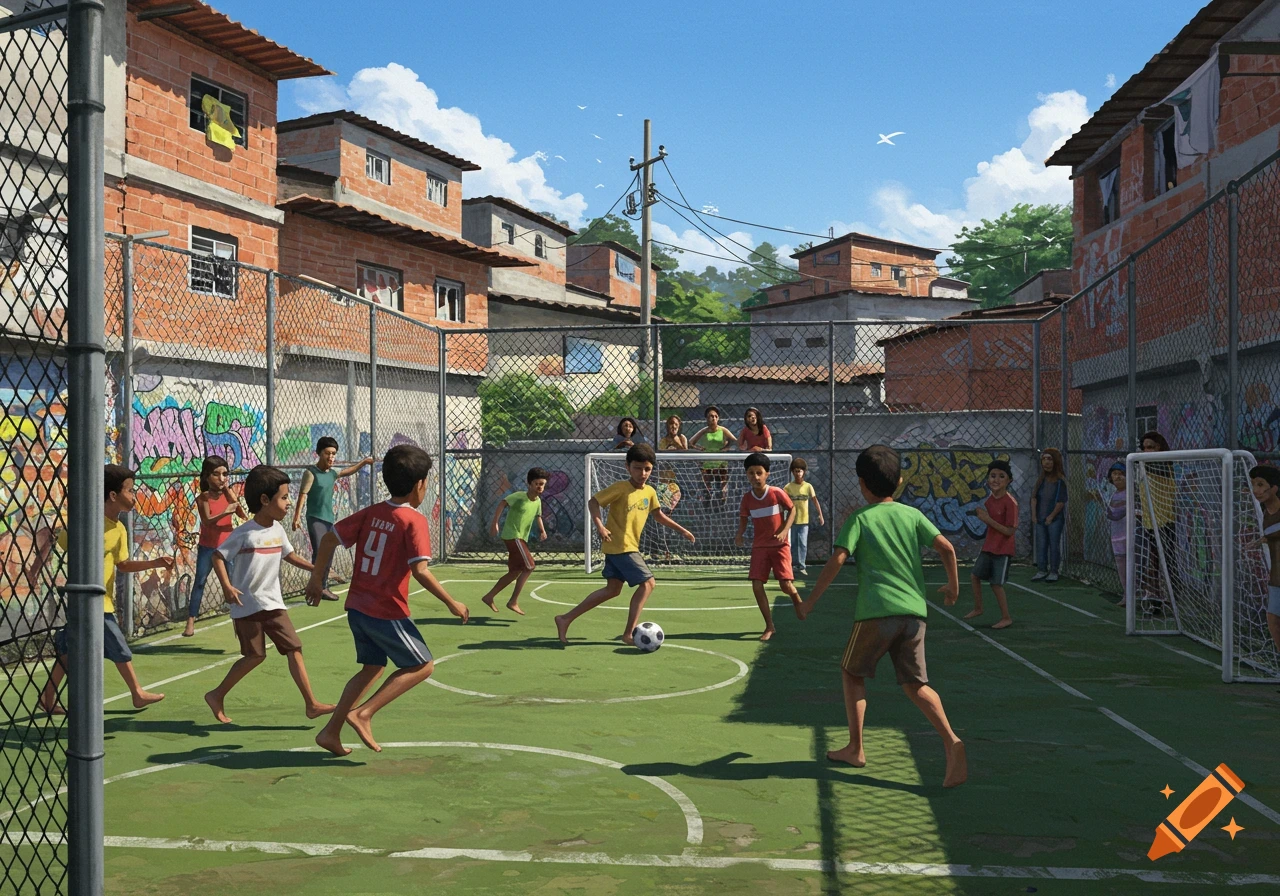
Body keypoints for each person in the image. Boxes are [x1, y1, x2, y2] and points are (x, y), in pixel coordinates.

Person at [798, 444, 966, 788]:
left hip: (876, 613)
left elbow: (838, 559)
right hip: (914, 615)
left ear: (861, 483)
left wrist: (811, 600)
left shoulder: (860, 519)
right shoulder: (911, 515)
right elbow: (947, 548)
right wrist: (952, 587)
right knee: (916, 685)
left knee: (851, 672)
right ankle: (951, 739)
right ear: (900, 480)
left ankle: (856, 748)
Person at [307, 444, 470, 756]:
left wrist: (317, 579)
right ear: (420, 485)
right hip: (386, 610)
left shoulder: (373, 512)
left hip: (357, 607)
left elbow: (329, 539)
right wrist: (452, 602)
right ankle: (363, 713)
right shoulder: (414, 520)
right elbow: (420, 570)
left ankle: (331, 731)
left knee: (372, 667)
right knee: (423, 666)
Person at [35, 464, 173, 714]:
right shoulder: (88, 524)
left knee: (68, 651)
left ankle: (47, 698)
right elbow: (56, 537)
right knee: (119, 647)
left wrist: (154, 563)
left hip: (102, 599)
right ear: (112, 495)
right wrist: (35, 569)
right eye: (130, 491)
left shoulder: (119, 529)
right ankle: (137, 693)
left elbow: (123, 564)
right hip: (90, 599)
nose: (134, 496)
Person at [203, 465, 335, 724]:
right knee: (255, 656)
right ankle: (216, 695)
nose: (288, 503)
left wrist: (316, 569)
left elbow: (290, 555)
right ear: (265, 500)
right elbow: (217, 556)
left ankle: (311, 704)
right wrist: (228, 587)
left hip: (273, 603)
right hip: (247, 605)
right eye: (284, 497)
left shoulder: (277, 530)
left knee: (294, 647)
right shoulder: (244, 533)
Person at [555, 444, 695, 646]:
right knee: (648, 583)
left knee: (612, 590)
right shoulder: (620, 488)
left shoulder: (650, 492)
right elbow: (593, 502)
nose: (643, 473)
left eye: (647, 469)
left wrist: (681, 529)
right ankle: (629, 633)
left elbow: (658, 514)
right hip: (621, 547)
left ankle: (565, 618)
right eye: (637, 468)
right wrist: (600, 526)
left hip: (623, 548)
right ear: (627, 467)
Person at [291, 437, 374, 602]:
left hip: (329, 518)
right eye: (327, 453)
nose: (330, 457)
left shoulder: (332, 473)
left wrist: (363, 463)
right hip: (315, 518)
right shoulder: (311, 473)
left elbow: (347, 471)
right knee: (321, 552)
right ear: (319, 453)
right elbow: (302, 495)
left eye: (333, 454)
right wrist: (296, 516)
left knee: (328, 552)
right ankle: (318, 587)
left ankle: (321, 586)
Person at [735, 453, 802, 641]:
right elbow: (743, 518)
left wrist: (784, 530)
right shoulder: (747, 499)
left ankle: (797, 599)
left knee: (785, 585)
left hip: (780, 545)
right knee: (757, 585)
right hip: (760, 546)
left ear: (767, 474)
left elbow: (793, 509)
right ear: (747, 475)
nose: (755, 477)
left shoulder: (776, 493)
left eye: (759, 473)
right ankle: (770, 626)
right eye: (751, 473)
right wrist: (739, 534)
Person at [183, 455, 247, 637]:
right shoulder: (203, 498)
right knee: (200, 582)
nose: (221, 479)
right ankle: (190, 622)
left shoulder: (228, 494)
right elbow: (207, 521)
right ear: (206, 477)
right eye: (216, 474)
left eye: (225, 474)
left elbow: (241, 514)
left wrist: (229, 493)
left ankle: (238, 624)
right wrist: (224, 512)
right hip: (208, 547)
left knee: (233, 585)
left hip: (228, 548)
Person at [480, 467, 548, 616]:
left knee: (515, 571)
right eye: (537, 483)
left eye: (542, 484)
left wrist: (542, 531)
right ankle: (513, 601)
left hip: (521, 538)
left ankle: (489, 596)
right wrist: (495, 523)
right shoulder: (519, 496)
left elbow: (538, 516)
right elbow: (502, 503)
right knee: (530, 566)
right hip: (513, 535)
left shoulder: (537, 501)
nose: (540, 487)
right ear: (529, 484)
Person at [965, 459, 1018, 629]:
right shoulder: (989, 501)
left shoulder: (1010, 503)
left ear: (1008, 481)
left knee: (996, 584)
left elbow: (1010, 531)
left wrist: (987, 520)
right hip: (989, 546)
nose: (996, 480)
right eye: (993, 476)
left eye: (1001, 476)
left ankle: (1006, 617)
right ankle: (978, 608)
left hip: (1003, 550)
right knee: (975, 576)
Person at [1135, 431, 1175, 615]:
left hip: (1165, 521)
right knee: (1152, 562)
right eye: (1144, 447)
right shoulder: (1143, 467)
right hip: (1149, 522)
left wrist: (1139, 458)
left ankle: (1169, 600)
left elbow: (1155, 468)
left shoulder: (1164, 465)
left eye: (1150, 447)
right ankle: (1155, 601)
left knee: (1166, 562)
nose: (1146, 450)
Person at [1249, 464, 1280, 654]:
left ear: (1274, 487)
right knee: (1273, 620)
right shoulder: (1265, 514)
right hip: (1276, 577)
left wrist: (1265, 538)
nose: (1256, 491)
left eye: (1261, 485)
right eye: (1253, 485)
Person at [1088, 462, 1129, 606]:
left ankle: (1138, 594)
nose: (1117, 477)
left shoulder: (1131, 493)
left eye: (1121, 474)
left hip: (1130, 536)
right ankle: (1127, 594)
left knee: (1133, 566)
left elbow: (1121, 513)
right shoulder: (1114, 494)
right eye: (1114, 474)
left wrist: (1114, 512)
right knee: (1121, 566)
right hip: (1117, 536)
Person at [1030, 448, 1067, 583]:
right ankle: (1041, 569)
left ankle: (1054, 570)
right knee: (1041, 544)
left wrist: (1051, 516)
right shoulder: (1041, 480)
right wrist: (1034, 514)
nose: (1046, 462)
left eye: (1049, 459)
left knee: (1053, 544)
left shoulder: (1059, 482)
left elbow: (1060, 502)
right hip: (1040, 517)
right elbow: (1034, 498)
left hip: (1054, 519)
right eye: (1044, 459)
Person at [784, 457, 824, 576]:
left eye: (800, 471)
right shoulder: (788, 488)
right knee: (792, 543)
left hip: (804, 521)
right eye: (796, 471)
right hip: (791, 521)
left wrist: (820, 515)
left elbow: (815, 501)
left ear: (804, 472)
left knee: (802, 543)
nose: (798, 473)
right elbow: (782, 502)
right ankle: (791, 565)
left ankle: (801, 566)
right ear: (792, 472)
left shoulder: (808, 487)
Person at [689, 406, 733, 502]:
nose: (713, 418)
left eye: (715, 416)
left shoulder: (723, 430)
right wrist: (699, 448)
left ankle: (722, 507)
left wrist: (726, 447)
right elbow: (690, 442)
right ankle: (707, 507)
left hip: (720, 463)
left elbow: (734, 441)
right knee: (707, 490)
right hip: (708, 463)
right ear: (707, 418)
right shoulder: (704, 431)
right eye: (711, 416)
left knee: (722, 490)